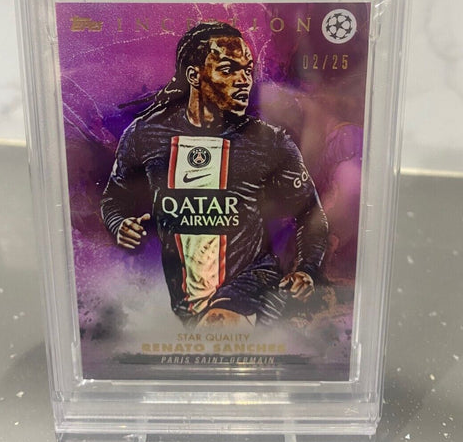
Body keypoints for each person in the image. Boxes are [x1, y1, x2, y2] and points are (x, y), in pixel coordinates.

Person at [101, 21, 328, 328]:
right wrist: (120, 224)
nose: (243, 80)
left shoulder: (269, 142)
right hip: (187, 303)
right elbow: (114, 199)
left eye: (247, 70)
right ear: (194, 76)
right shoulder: (146, 134)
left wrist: (307, 270)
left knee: (218, 326)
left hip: (254, 281)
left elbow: (311, 213)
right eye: (228, 69)